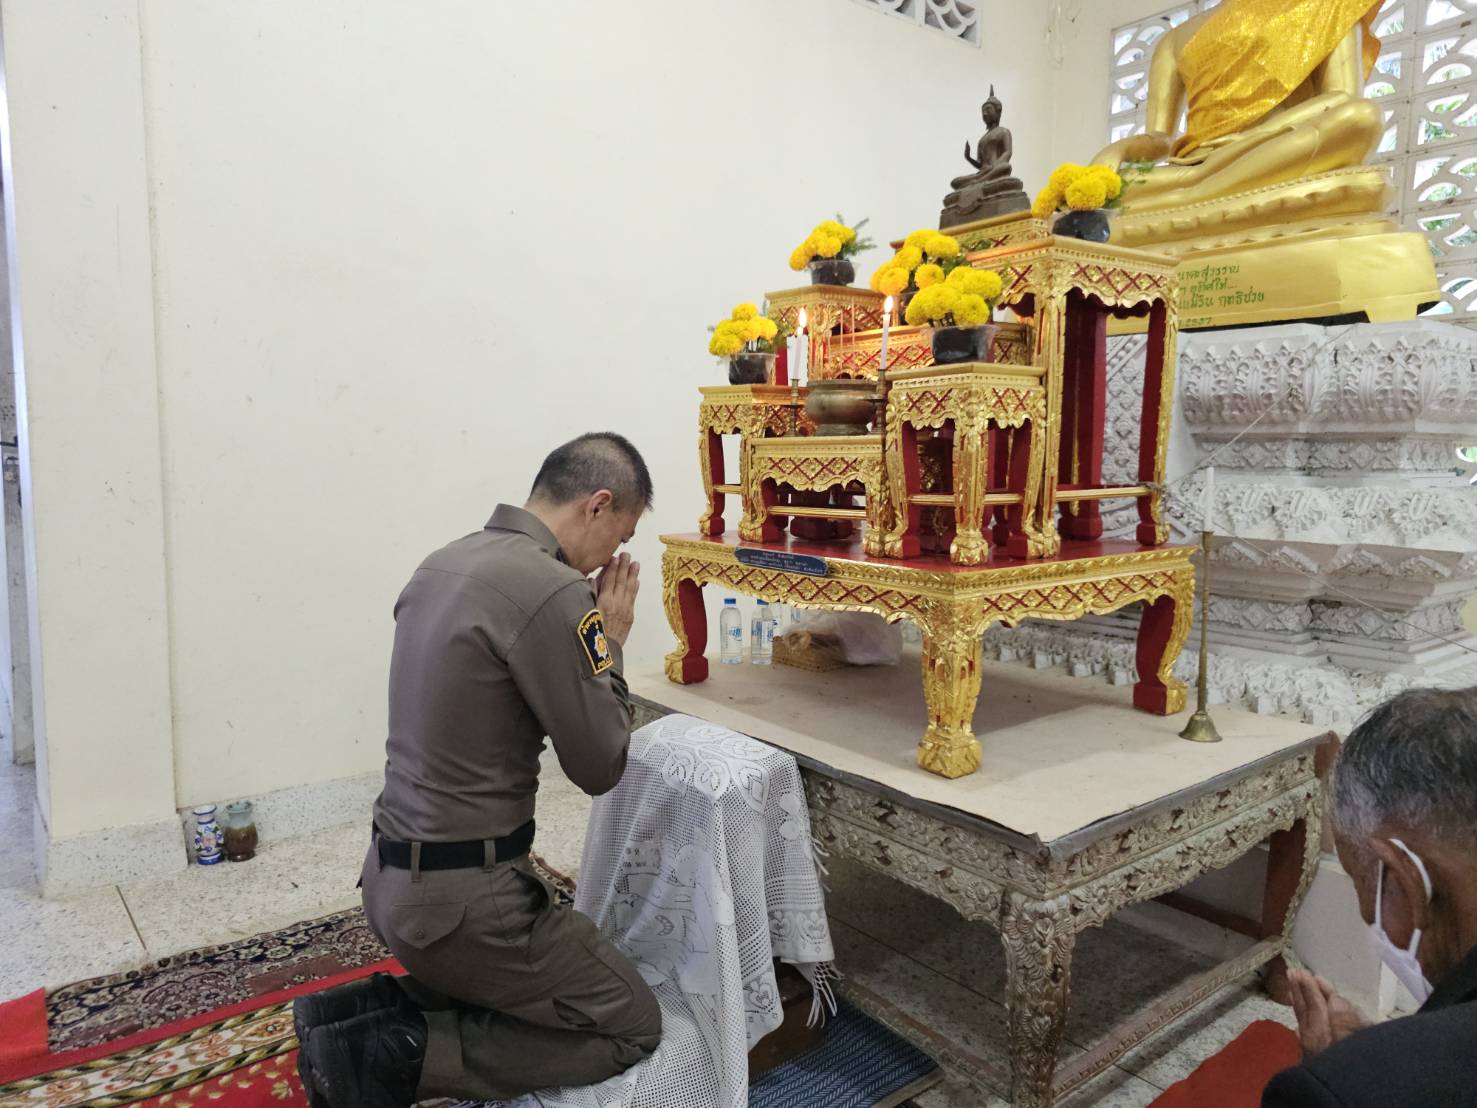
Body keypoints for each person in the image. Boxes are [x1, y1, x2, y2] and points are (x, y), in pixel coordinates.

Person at [294, 432, 663, 1108]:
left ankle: (360, 1013)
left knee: (532, 982)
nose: (613, 558)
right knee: (630, 1022)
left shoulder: (443, 562)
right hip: (461, 907)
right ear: (597, 505)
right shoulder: (555, 591)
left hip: (388, 880)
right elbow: (600, 765)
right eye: (621, 535)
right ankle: (390, 1056)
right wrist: (609, 638)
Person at [1263, 686, 1477, 1106]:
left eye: (1358, 881)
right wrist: (1389, 1054)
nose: (1365, 910)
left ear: (1403, 883)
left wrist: (1354, 1072)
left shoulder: (1336, 1091)